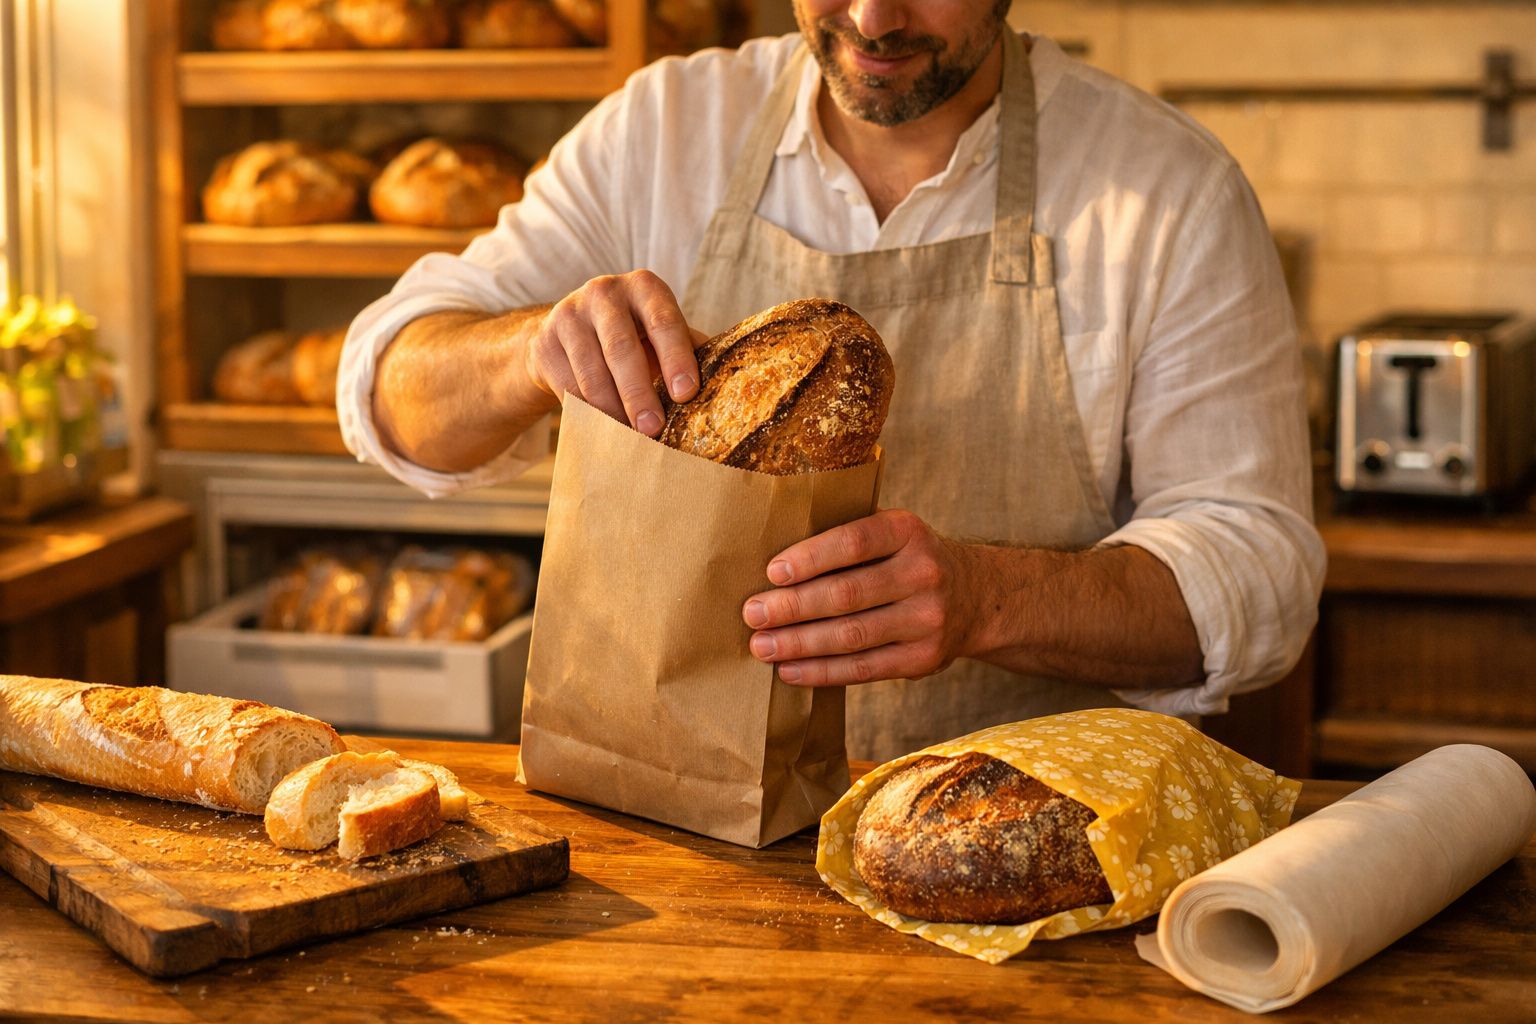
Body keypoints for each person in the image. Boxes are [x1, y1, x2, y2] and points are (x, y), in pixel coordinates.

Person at [338, 0, 1326, 762]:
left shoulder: (1165, 191)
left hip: (1024, 865)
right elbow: (390, 392)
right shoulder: (664, 131)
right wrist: (524, 352)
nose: (872, 17)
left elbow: (1262, 570)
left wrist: (991, 599)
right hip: (680, 843)